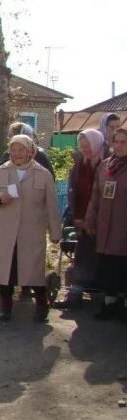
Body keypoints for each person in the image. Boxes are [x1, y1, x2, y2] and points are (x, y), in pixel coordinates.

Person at [0, 135, 62, 322]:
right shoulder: (1, 171)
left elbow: (51, 206)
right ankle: (5, 305)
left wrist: (55, 232)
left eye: (21, 150)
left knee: (33, 272)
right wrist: (0, 198)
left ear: (30, 151)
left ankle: (42, 303)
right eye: (13, 150)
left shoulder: (43, 174)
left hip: (32, 231)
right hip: (7, 231)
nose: (17, 154)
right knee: (6, 270)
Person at [53, 129, 105, 309]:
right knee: (81, 257)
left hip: (104, 220)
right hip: (81, 219)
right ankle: (74, 297)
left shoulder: (108, 165)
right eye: (82, 147)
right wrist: (76, 217)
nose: (85, 150)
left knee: (102, 258)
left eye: (87, 146)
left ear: (97, 144)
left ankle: (103, 297)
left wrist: (96, 219)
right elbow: (73, 193)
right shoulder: (78, 167)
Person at [85, 128, 127, 320]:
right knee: (107, 267)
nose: (118, 145)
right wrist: (90, 218)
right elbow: (95, 196)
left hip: (123, 225)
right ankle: (109, 305)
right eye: (116, 141)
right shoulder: (105, 166)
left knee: (123, 267)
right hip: (105, 226)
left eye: (123, 142)